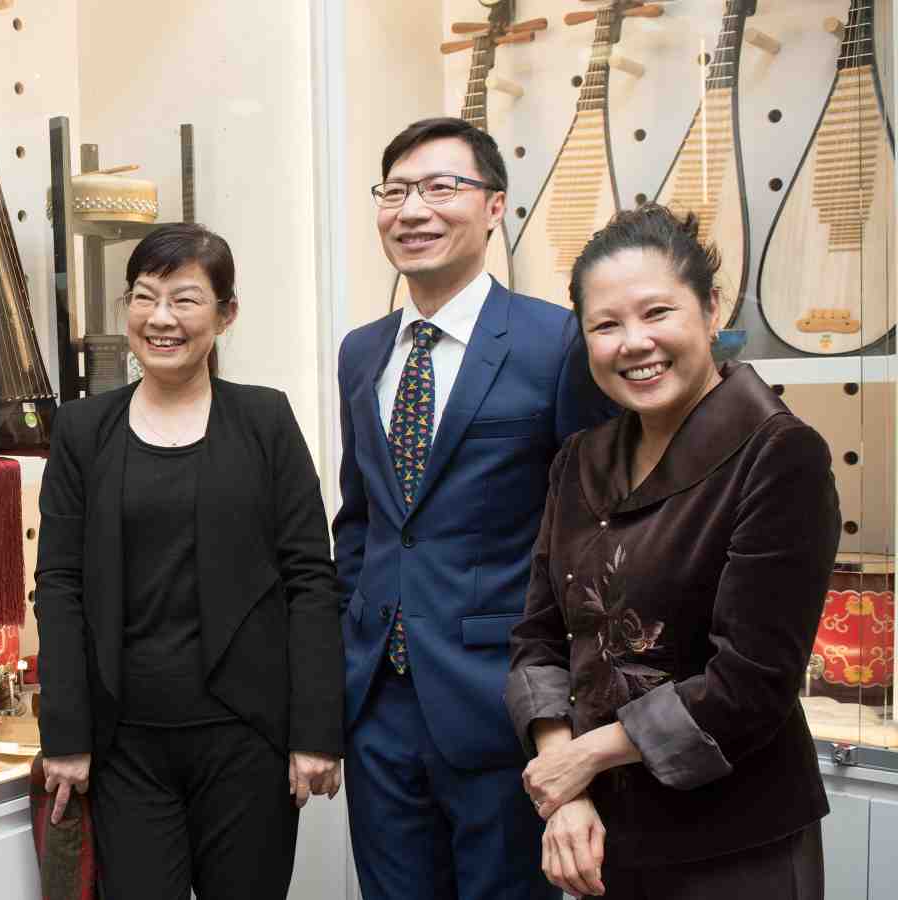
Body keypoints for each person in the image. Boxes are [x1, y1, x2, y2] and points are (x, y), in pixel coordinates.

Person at [506, 204, 839, 899]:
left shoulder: (779, 455)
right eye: (605, 324)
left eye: (657, 312)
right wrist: (564, 787)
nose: (634, 342)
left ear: (712, 309)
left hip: (735, 846)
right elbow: (538, 639)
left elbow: (751, 683)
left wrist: (584, 758)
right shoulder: (580, 460)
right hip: (602, 836)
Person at [333, 116, 615, 900]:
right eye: (394, 191)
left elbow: (588, 536)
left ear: (494, 207)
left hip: (502, 706)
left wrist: (569, 720)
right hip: (378, 706)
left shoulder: (555, 341)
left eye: (440, 187)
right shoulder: (362, 351)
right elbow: (361, 520)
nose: (412, 209)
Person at [34, 223, 344, 899]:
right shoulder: (84, 431)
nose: (161, 318)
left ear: (225, 314)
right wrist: (64, 732)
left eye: (185, 299)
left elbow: (310, 579)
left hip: (248, 740)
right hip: (126, 746)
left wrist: (317, 731)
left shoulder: (265, 422)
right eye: (144, 298)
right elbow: (57, 585)